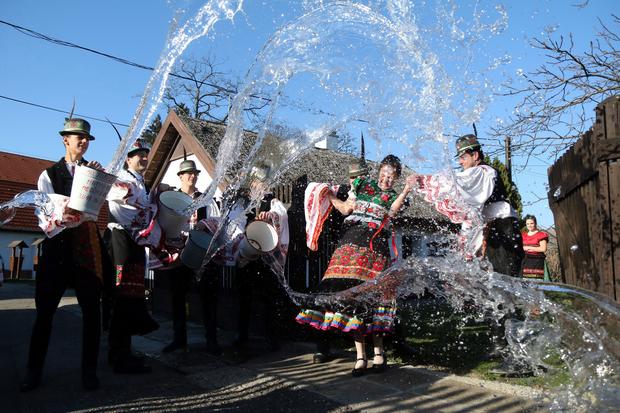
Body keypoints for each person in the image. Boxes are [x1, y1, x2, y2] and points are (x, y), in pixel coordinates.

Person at [296, 155, 412, 377]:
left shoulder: (396, 196)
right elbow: (345, 209)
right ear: (379, 171)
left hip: (375, 250)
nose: (387, 179)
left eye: (392, 176)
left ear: (396, 178)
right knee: (349, 298)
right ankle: (361, 356)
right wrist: (328, 195)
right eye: (385, 174)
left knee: (373, 298)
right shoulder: (361, 185)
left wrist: (406, 190)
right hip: (348, 245)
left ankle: (379, 354)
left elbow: (394, 211)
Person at [21, 118, 108, 391]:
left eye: (86, 138)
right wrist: (66, 210)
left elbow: (95, 210)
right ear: (65, 139)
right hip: (58, 248)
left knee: (92, 312)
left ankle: (89, 372)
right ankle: (33, 372)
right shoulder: (49, 174)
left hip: (85, 246)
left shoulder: (93, 171)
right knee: (45, 313)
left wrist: (96, 180)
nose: (82, 141)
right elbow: (43, 213)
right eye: (77, 136)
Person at [412, 134, 524, 276]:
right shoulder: (480, 175)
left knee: (503, 279)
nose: (460, 162)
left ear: (475, 155)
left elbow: (458, 181)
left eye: (463, 157)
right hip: (491, 230)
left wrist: (424, 180)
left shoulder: (485, 172)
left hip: (502, 230)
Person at [105, 138, 159, 374]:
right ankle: (118, 355)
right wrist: (150, 212)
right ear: (128, 158)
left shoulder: (140, 182)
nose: (144, 158)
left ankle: (123, 351)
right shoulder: (121, 181)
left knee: (130, 295)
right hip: (122, 242)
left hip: (134, 243)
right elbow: (122, 210)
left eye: (146, 154)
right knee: (122, 295)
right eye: (139, 154)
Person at [160, 159, 222, 355]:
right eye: (188, 173)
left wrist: (207, 226)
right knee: (178, 297)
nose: (192, 176)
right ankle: (179, 339)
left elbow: (217, 220)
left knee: (208, 297)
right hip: (178, 253)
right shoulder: (171, 198)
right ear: (180, 177)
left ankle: (211, 340)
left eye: (195, 173)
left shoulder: (206, 199)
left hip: (201, 253)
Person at [312, 159, 368, 364]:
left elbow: (346, 209)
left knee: (373, 297)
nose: (356, 180)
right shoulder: (348, 191)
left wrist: (330, 195)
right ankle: (323, 346)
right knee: (327, 294)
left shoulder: (369, 193)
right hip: (344, 255)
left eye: (360, 176)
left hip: (366, 254)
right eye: (353, 177)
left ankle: (387, 343)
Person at [234, 163, 289, 352]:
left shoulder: (273, 203)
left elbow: (281, 216)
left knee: (270, 298)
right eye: (258, 182)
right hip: (246, 255)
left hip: (266, 258)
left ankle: (272, 337)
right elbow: (235, 224)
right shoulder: (244, 203)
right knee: (243, 298)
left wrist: (270, 216)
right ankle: (241, 335)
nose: (262, 186)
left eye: (265, 182)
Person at [521, 215, 548, 280]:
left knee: (537, 283)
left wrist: (528, 248)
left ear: (535, 223)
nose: (529, 225)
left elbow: (543, 249)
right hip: (525, 262)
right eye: (527, 224)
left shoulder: (541, 235)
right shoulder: (523, 235)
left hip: (537, 262)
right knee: (525, 282)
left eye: (531, 223)